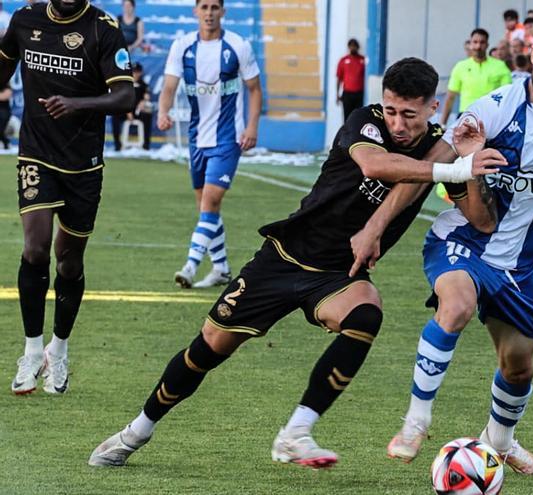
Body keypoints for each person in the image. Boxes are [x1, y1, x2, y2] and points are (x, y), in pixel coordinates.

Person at [88, 57, 507, 469]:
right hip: (286, 256)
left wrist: (467, 168)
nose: (398, 124)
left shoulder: (440, 146)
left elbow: (483, 220)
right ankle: (137, 430)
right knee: (208, 349)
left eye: (410, 115)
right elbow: (375, 165)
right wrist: (452, 167)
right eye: (393, 110)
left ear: (433, 108)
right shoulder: (366, 121)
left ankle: (296, 432)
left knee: (365, 315)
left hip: (338, 276)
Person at [385, 18, 533, 476]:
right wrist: (376, 229)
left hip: (519, 264)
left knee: (519, 368)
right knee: (455, 307)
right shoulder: (498, 105)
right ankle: (416, 421)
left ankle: (499, 441)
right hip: (464, 241)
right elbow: (426, 170)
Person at [1, 0, 135, 395]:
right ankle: (31, 350)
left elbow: (125, 97)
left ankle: (58, 350)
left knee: (69, 262)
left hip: (83, 163)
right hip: (36, 153)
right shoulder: (25, 19)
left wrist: (77, 103)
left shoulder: (102, 28)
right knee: (35, 249)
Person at [158, 0, 262, 289]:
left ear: (223, 12)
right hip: (197, 139)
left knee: (211, 201)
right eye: (204, 7)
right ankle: (221, 269)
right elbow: (169, 86)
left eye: (215, 7)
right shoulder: (182, 46)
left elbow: (254, 89)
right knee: (206, 209)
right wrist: (162, 111)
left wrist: (252, 126)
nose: (209, 12)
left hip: (229, 138)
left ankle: (190, 266)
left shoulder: (238, 46)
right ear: (196, 12)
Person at [439, 28, 512, 127]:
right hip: (466, 117)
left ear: (487, 45)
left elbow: (508, 97)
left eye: (482, 42)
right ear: (470, 44)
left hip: (492, 117)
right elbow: (450, 97)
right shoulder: (460, 66)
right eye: (475, 42)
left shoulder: (500, 67)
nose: (478, 46)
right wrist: (442, 124)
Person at [112, 62, 152, 151]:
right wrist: (128, 112)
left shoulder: (143, 84)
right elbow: (122, 100)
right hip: (126, 110)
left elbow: (147, 96)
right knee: (115, 116)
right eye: (133, 71)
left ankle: (146, 146)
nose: (135, 74)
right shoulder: (125, 84)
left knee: (147, 115)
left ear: (140, 73)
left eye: (137, 72)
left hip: (137, 111)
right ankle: (117, 146)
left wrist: (144, 101)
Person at [336, 38, 365, 121]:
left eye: (354, 46)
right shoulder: (343, 60)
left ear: (358, 47)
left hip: (359, 94)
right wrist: (337, 94)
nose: (353, 48)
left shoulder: (363, 60)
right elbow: (339, 78)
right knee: (347, 118)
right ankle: (347, 134)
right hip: (347, 94)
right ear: (348, 47)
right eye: (351, 46)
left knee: (358, 118)